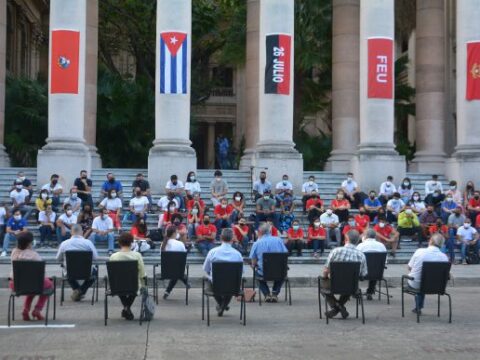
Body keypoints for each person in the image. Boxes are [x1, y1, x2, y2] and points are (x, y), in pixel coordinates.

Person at [321, 230, 367, 319]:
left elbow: (326, 270)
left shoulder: (335, 251)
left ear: (346, 239)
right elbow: (363, 275)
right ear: (358, 241)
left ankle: (336, 307)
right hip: (351, 286)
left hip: (334, 284)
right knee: (351, 284)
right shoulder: (361, 255)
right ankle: (340, 306)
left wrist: (324, 277)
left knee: (322, 286)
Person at [9, 232, 54, 320]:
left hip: (16, 284)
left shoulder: (14, 252)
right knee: (48, 285)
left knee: (31, 288)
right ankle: (37, 309)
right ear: (30, 243)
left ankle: (26, 310)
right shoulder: (34, 255)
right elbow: (41, 272)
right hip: (34, 283)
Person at [203, 228, 243, 316]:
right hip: (232, 286)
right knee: (232, 282)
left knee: (209, 280)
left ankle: (222, 305)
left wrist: (210, 277)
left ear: (221, 237)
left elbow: (206, 269)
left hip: (216, 285)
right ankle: (223, 305)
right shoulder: (237, 254)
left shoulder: (212, 252)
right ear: (232, 238)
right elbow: (241, 272)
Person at [407, 233, 449, 315]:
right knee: (424, 281)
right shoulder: (444, 257)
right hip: (437, 286)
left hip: (417, 284)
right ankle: (418, 307)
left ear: (431, 241)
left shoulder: (419, 251)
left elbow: (409, 267)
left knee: (418, 280)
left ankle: (418, 308)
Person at [56, 224, 98, 301]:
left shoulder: (64, 243)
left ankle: (77, 290)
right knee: (94, 272)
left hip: (70, 272)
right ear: (82, 232)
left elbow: (58, 259)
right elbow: (95, 258)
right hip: (86, 272)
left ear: (71, 232)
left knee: (66, 271)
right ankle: (81, 291)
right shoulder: (88, 243)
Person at [109, 233, 145, 321]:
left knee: (120, 288)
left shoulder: (113, 256)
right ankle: (127, 308)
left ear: (119, 243)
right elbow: (142, 273)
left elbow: (111, 274)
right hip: (134, 286)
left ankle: (126, 308)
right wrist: (144, 285)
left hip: (117, 286)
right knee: (136, 287)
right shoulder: (137, 255)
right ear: (131, 243)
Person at [249, 223, 288, 303]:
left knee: (256, 273)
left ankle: (266, 294)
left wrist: (253, 265)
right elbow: (285, 255)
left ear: (260, 232)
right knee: (283, 272)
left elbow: (253, 261)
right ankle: (274, 293)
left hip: (263, 272)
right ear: (270, 231)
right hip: (278, 272)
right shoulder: (279, 240)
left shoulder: (256, 243)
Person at [357, 228, 387, 300]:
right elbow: (385, 261)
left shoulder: (361, 246)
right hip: (377, 273)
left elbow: (356, 260)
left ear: (365, 236)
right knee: (375, 268)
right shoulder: (381, 246)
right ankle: (370, 292)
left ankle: (356, 291)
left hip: (362, 273)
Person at [161, 225, 189, 300]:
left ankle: (167, 291)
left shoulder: (163, 244)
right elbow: (184, 257)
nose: (178, 234)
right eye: (177, 232)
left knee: (175, 271)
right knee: (177, 272)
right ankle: (184, 280)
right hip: (178, 270)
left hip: (165, 271)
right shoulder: (180, 244)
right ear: (174, 233)